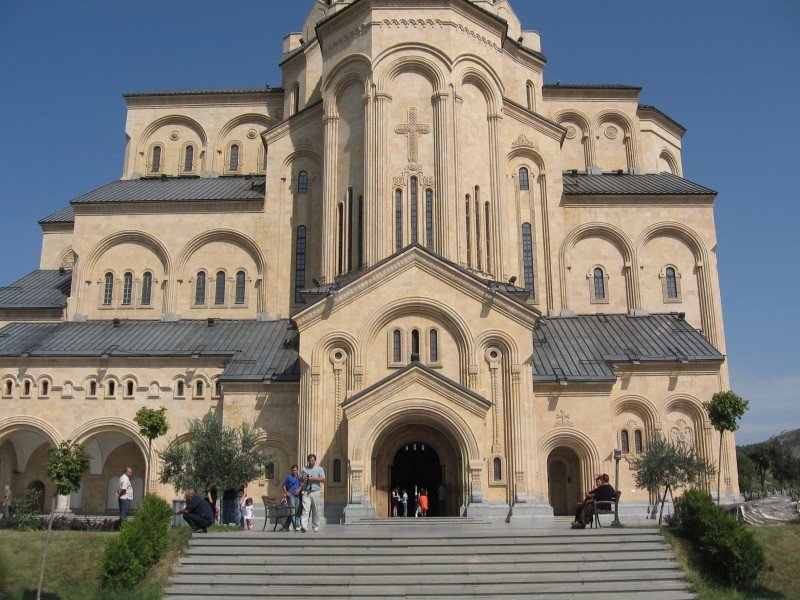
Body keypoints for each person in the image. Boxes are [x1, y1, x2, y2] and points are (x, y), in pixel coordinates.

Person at [300, 453, 325, 533]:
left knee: (316, 510)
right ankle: (304, 526)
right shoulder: (304, 469)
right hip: (306, 491)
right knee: (305, 509)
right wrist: (303, 477)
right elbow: (300, 479)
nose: (311, 462)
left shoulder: (319, 469)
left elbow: (323, 479)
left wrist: (314, 479)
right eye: (309, 461)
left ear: (315, 461)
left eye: (312, 461)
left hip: (315, 491)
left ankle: (316, 526)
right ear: (308, 461)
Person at [281, 464, 303, 531]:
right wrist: (287, 493)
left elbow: (302, 485)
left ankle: (287, 525)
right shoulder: (288, 477)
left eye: (295, 470)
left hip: (297, 496)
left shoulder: (299, 477)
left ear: (297, 470)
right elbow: (283, 486)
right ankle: (295, 525)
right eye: (293, 470)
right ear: (291, 470)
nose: (294, 471)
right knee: (292, 511)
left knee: (296, 511)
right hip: (291, 496)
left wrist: (299, 490)